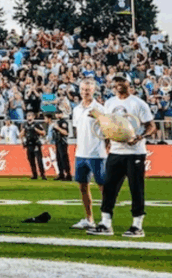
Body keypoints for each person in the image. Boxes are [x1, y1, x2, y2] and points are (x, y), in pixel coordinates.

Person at [88, 75, 156, 238]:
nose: (118, 85)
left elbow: (151, 126)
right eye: (116, 82)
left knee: (136, 188)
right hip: (116, 151)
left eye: (122, 82)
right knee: (109, 188)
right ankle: (105, 223)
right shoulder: (110, 103)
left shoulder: (138, 103)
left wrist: (140, 136)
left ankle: (137, 226)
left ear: (128, 84)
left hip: (135, 153)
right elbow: (107, 124)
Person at [70, 78, 107, 230]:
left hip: (97, 154)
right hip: (81, 153)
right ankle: (89, 219)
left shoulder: (100, 109)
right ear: (80, 91)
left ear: (93, 91)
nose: (85, 92)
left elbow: (108, 129)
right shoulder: (76, 109)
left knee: (103, 188)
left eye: (88, 90)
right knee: (83, 187)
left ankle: (105, 220)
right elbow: (78, 129)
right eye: (83, 89)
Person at [21, 111, 47, 180]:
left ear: (33, 117)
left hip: (36, 144)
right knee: (31, 160)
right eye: (27, 116)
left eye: (30, 115)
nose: (28, 117)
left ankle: (43, 174)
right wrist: (22, 141)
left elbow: (43, 133)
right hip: (29, 144)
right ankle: (34, 174)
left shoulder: (37, 124)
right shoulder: (25, 125)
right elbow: (21, 134)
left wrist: (36, 129)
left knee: (39, 160)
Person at [50, 113, 72, 181]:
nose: (57, 115)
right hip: (57, 142)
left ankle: (68, 175)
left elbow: (65, 132)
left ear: (62, 114)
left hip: (63, 142)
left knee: (64, 158)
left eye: (59, 113)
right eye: (56, 113)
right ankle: (61, 174)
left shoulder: (64, 122)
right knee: (59, 158)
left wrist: (58, 128)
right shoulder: (56, 122)